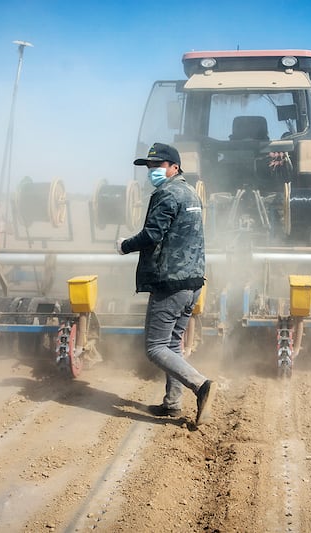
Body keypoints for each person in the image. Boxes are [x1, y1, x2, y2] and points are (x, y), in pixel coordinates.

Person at [117, 143, 216, 426]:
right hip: (193, 281)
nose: (152, 172)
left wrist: (124, 246)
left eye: (157, 166)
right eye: (149, 167)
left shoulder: (167, 193)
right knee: (173, 344)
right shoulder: (190, 193)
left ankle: (201, 386)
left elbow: (152, 234)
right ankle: (172, 403)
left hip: (171, 282)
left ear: (174, 167)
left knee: (155, 347)